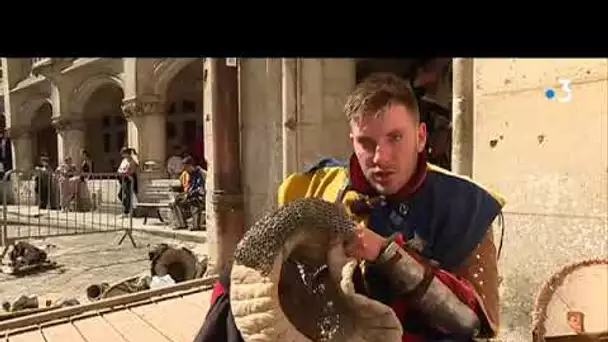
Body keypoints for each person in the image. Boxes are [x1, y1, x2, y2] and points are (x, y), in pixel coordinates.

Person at [196, 73, 505, 342]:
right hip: (333, 328)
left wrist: (387, 255)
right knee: (230, 293)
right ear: (352, 140)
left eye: (395, 138)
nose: (381, 157)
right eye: (366, 142)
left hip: (417, 336)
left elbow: (469, 322)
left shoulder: (465, 205)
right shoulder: (314, 186)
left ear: (421, 137)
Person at [170, 156, 206, 230]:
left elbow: (200, 188)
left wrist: (189, 194)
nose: (185, 169)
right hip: (190, 195)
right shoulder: (189, 174)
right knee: (175, 202)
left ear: (190, 166)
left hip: (200, 197)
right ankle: (181, 224)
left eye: (186, 167)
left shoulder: (200, 173)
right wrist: (183, 195)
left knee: (194, 201)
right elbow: (189, 187)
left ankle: (196, 225)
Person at [117, 147, 139, 216]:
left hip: (129, 179)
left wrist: (125, 172)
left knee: (128, 195)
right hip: (123, 179)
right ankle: (128, 208)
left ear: (127, 154)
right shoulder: (124, 161)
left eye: (124, 153)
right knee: (120, 195)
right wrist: (121, 172)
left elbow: (132, 170)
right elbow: (119, 169)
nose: (122, 155)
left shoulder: (132, 161)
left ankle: (127, 211)